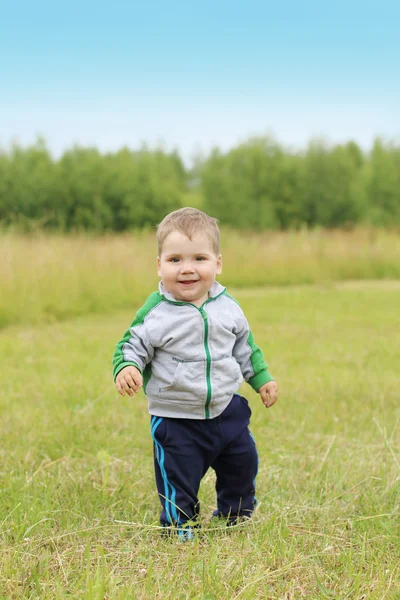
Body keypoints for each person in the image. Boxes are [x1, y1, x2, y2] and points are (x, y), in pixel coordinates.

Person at [112, 207, 278, 539]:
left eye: (199, 258)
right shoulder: (157, 312)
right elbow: (131, 345)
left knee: (242, 463)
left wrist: (261, 378)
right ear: (159, 265)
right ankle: (180, 526)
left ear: (217, 263)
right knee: (178, 475)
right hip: (176, 419)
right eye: (175, 260)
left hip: (225, 408)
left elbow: (244, 345)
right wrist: (127, 366)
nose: (187, 269)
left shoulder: (227, 305)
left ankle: (235, 513)